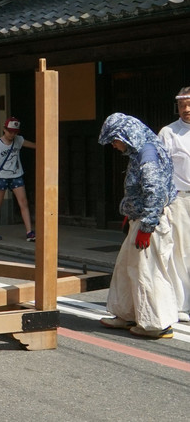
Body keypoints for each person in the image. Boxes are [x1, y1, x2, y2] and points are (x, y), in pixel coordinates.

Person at [98, 113, 178, 339]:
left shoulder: (147, 153)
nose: (114, 145)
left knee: (147, 271)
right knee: (127, 268)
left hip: (149, 221)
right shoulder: (141, 150)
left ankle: (156, 324)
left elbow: (154, 190)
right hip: (140, 218)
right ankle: (127, 314)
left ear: (126, 135)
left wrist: (147, 226)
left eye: (115, 139)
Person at [158, 87, 190, 323]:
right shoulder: (168, 133)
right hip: (180, 199)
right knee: (181, 251)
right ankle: (182, 303)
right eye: (182, 105)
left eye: (189, 104)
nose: (186, 109)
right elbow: (161, 170)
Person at [0, 117, 38, 242]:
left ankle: (29, 232)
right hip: (1, 176)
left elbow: (34, 145)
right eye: (10, 131)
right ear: (4, 129)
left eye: (15, 132)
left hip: (16, 175)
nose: (12, 134)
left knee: (23, 202)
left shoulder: (18, 140)